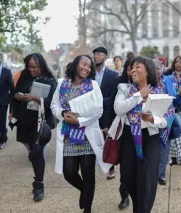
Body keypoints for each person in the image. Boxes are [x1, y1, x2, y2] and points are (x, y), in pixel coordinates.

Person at [51, 55, 111, 213]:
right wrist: (63, 113)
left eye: (89, 66)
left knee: (88, 172)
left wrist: (79, 121)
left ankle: (88, 209)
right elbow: (54, 106)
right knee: (69, 173)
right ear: (76, 64)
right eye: (83, 64)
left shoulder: (93, 85)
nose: (86, 68)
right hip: (68, 135)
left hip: (87, 135)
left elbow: (98, 110)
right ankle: (84, 190)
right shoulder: (61, 83)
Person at [109, 56, 169, 213]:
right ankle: (139, 206)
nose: (133, 70)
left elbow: (166, 120)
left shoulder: (159, 91)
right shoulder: (124, 88)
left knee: (147, 180)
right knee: (128, 178)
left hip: (150, 138)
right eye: (132, 68)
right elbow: (118, 108)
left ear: (147, 71)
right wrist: (138, 96)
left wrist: (152, 118)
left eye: (138, 67)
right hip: (129, 137)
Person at [13, 53, 57, 201]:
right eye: (29, 67)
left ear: (41, 66)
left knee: (37, 152)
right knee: (32, 150)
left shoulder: (50, 80)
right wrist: (18, 97)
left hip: (40, 122)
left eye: (34, 67)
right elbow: (14, 93)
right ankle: (32, 152)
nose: (31, 70)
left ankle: (38, 186)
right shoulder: (24, 77)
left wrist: (35, 98)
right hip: (25, 120)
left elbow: (53, 102)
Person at [106, 57, 133, 210]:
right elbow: (112, 105)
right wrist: (108, 126)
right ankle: (124, 195)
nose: (133, 71)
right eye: (130, 67)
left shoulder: (145, 85)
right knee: (124, 166)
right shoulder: (119, 83)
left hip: (140, 132)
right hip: (122, 130)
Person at [92, 46, 119, 179]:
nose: (96, 56)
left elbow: (114, 97)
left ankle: (110, 167)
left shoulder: (113, 75)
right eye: (95, 54)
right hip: (91, 112)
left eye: (99, 54)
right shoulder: (89, 75)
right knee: (92, 139)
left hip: (107, 112)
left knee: (108, 139)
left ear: (105, 57)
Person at [152, 59, 176, 186]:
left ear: (162, 69)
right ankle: (151, 172)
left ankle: (161, 174)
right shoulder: (146, 81)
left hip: (166, 118)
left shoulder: (167, 80)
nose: (156, 71)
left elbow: (174, 97)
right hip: (150, 119)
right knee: (152, 146)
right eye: (153, 68)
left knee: (164, 146)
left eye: (158, 68)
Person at [168, 56, 181, 166]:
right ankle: (173, 157)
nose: (178, 64)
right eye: (176, 62)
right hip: (172, 106)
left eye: (180, 62)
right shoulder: (169, 75)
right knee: (173, 131)